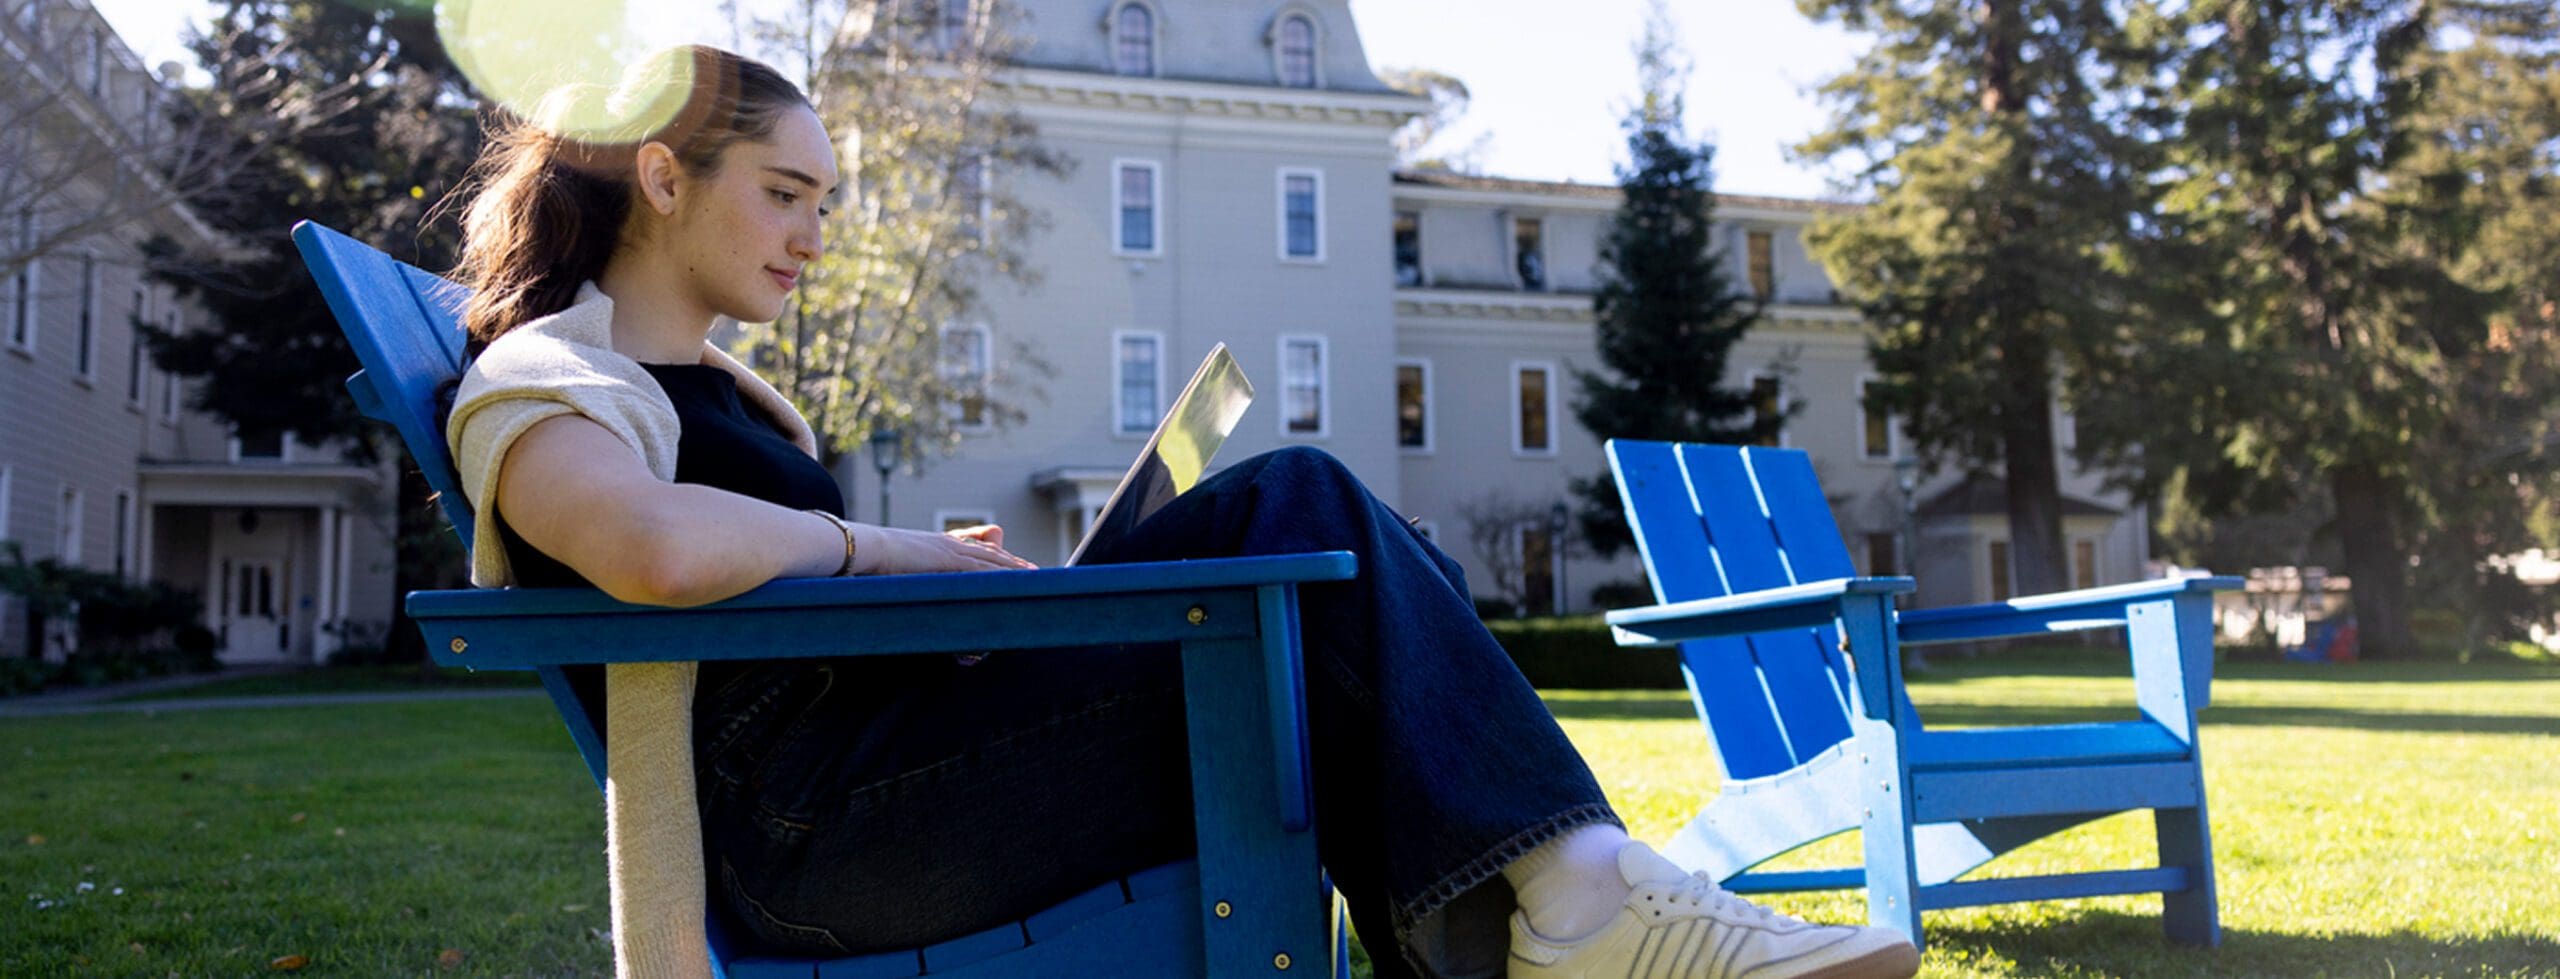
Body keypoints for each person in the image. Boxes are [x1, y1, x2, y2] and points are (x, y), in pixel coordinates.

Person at [443, 45, 1921, 979]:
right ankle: (1588, 908)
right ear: (660, 175)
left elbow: (772, 603)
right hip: (818, 851)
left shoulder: (738, 399)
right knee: (1292, 506)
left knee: (1295, 562)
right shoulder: (549, 377)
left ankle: (1579, 904)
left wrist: (971, 607)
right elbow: (649, 549)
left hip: (890, 793)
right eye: (785, 195)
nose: (816, 240)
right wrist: (891, 552)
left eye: (824, 203)